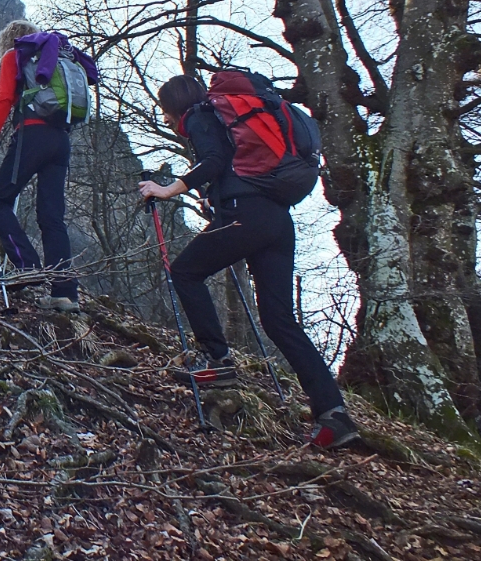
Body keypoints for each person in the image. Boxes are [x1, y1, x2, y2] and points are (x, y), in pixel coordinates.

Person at [137, 74, 360, 449]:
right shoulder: (229, 120)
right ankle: (333, 415)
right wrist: (217, 196)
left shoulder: (198, 115)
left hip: (245, 216)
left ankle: (219, 359)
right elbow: (227, 165)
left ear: (174, 104)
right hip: (276, 220)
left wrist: (167, 189)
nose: (164, 116)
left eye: (164, 108)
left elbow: (213, 160)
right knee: (279, 319)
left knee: (186, 272)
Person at [0, 20, 80, 313]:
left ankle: (26, 264)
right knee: (52, 217)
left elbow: (4, 98)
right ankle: (65, 293)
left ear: (10, 40)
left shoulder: (14, 56)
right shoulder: (55, 60)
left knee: (0, 200)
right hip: (61, 140)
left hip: (32, 136)